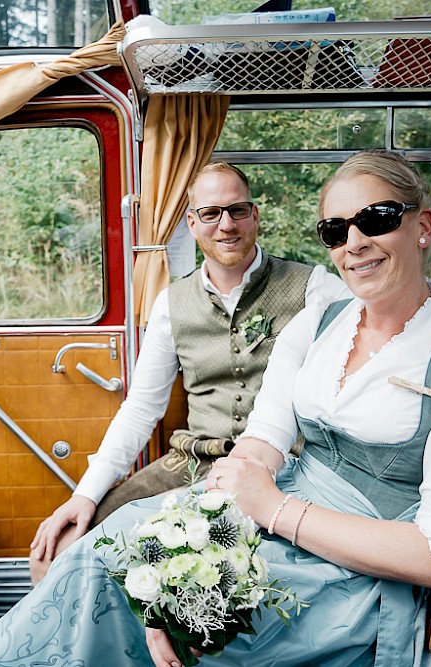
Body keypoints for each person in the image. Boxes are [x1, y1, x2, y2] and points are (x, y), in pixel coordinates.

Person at [0, 149, 431, 667]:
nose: (354, 242)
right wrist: (170, 562)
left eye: (376, 219)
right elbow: (259, 437)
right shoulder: (319, 322)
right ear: (192, 226)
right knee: (104, 554)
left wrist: (270, 509)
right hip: (244, 487)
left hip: (352, 556)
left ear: (422, 226)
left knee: (132, 590)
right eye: (334, 230)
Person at [28, 161, 350, 583]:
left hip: (286, 465)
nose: (226, 225)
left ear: (255, 216)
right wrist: (85, 494)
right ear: (192, 223)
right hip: (193, 461)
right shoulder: (170, 304)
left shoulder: (315, 287)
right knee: (56, 554)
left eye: (237, 210)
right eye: (212, 213)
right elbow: (142, 407)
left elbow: (372, 336)